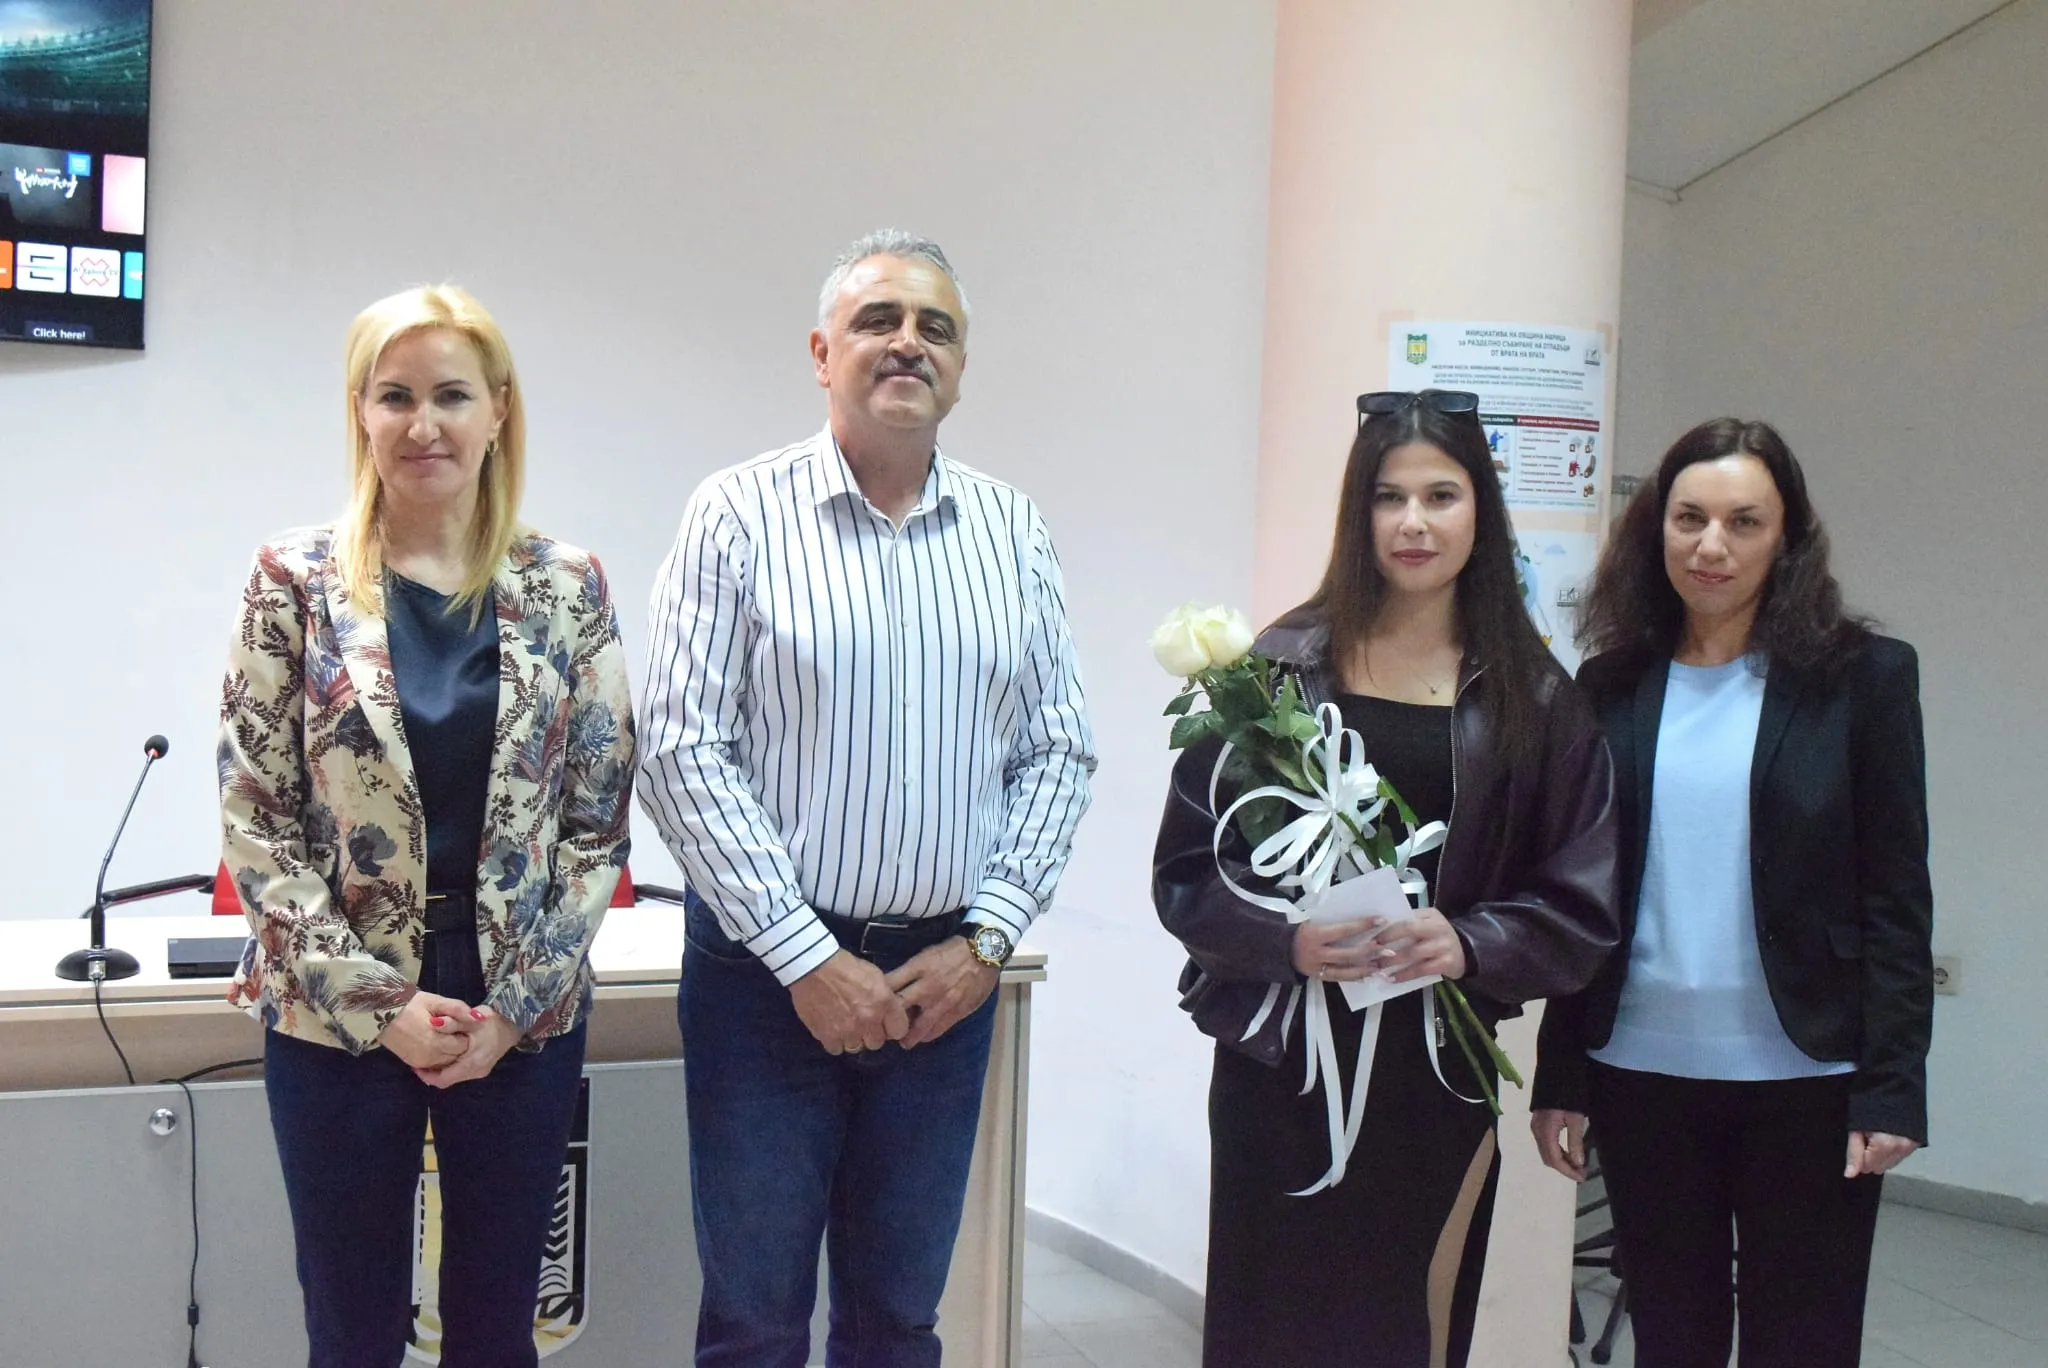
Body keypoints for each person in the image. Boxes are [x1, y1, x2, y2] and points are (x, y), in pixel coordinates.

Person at [638, 229, 1096, 1367]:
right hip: (763, 984)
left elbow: (1059, 748)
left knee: (898, 1320)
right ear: (820, 352)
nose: (907, 344)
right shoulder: (737, 513)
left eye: (935, 327)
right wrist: (806, 958)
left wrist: (987, 942)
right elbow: (683, 751)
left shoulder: (1012, 529)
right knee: (753, 1323)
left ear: (961, 365)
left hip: (946, 983)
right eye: (877, 321)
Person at [1153, 389, 1619, 1368]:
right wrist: (1285, 942)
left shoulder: (1535, 698)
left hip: (1434, 1071)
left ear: (1480, 512)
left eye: (1440, 496)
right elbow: (1189, 869)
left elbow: (1580, 899)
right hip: (1282, 1064)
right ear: (1357, 513)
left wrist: (1469, 942)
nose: (1413, 522)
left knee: (1405, 1322)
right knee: (1269, 1324)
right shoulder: (1278, 669)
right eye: (1388, 497)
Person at [219, 284, 636, 1368]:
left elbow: (596, 823)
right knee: (351, 1330)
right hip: (338, 1008)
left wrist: (513, 1011)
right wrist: (383, 1004)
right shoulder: (293, 580)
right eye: (394, 395)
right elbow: (256, 818)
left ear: (498, 411)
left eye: (451, 395)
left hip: (517, 1005)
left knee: (497, 1329)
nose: (424, 423)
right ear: (360, 412)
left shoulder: (566, 586)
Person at [1531, 418, 1933, 1368]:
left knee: (1805, 1340)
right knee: (1674, 1339)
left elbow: (1896, 895)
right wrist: (1562, 1071)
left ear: (1786, 539)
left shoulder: (1864, 679)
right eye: (1690, 519)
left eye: (1744, 522)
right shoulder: (1611, 683)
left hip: (1810, 1079)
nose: (1711, 545)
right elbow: (1581, 890)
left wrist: (1894, 1086)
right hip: (1642, 1073)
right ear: (1656, 531)